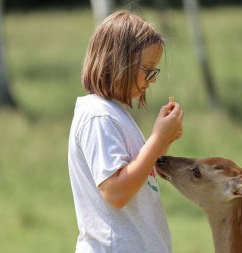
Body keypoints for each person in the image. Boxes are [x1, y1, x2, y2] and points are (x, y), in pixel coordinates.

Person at [68, 10, 183, 253]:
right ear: (119, 63)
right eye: (148, 69)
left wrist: (162, 143)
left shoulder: (115, 114)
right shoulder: (97, 116)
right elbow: (116, 192)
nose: (152, 79)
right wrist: (157, 138)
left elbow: (136, 174)